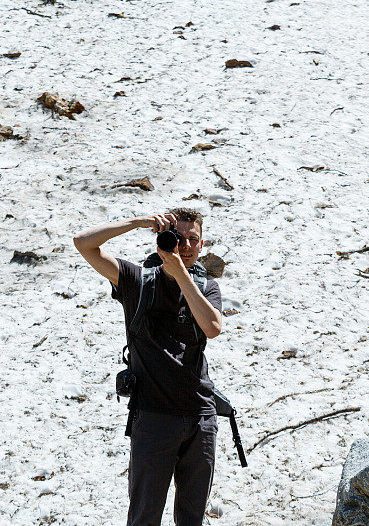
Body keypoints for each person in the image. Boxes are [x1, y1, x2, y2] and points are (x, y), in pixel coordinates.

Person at [73, 208, 222, 526]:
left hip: (201, 419)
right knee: (144, 518)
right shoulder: (137, 281)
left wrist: (181, 273)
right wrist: (137, 223)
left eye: (192, 239)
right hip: (154, 419)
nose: (184, 245)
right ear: (162, 240)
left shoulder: (205, 288)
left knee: (192, 519)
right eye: (177, 238)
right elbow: (83, 243)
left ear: (201, 244)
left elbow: (212, 327)